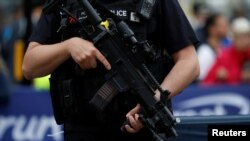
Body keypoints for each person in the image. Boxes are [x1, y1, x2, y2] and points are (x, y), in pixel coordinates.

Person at [22, 0, 200, 141]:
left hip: (142, 128)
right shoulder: (66, 3)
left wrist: (154, 103)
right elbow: (30, 66)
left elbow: (189, 63)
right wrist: (69, 46)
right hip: (83, 128)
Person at [203, 17, 250, 85]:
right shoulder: (225, 55)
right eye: (240, 36)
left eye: (247, 36)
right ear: (234, 38)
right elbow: (206, 82)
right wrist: (218, 75)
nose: (244, 40)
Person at [196, 13, 229, 82]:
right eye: (222, 25)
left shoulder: (227, 47)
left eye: (226, 24)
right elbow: (200, 79)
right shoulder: (205, 51)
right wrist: (215, 74)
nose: (226, 27)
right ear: (212, 29)